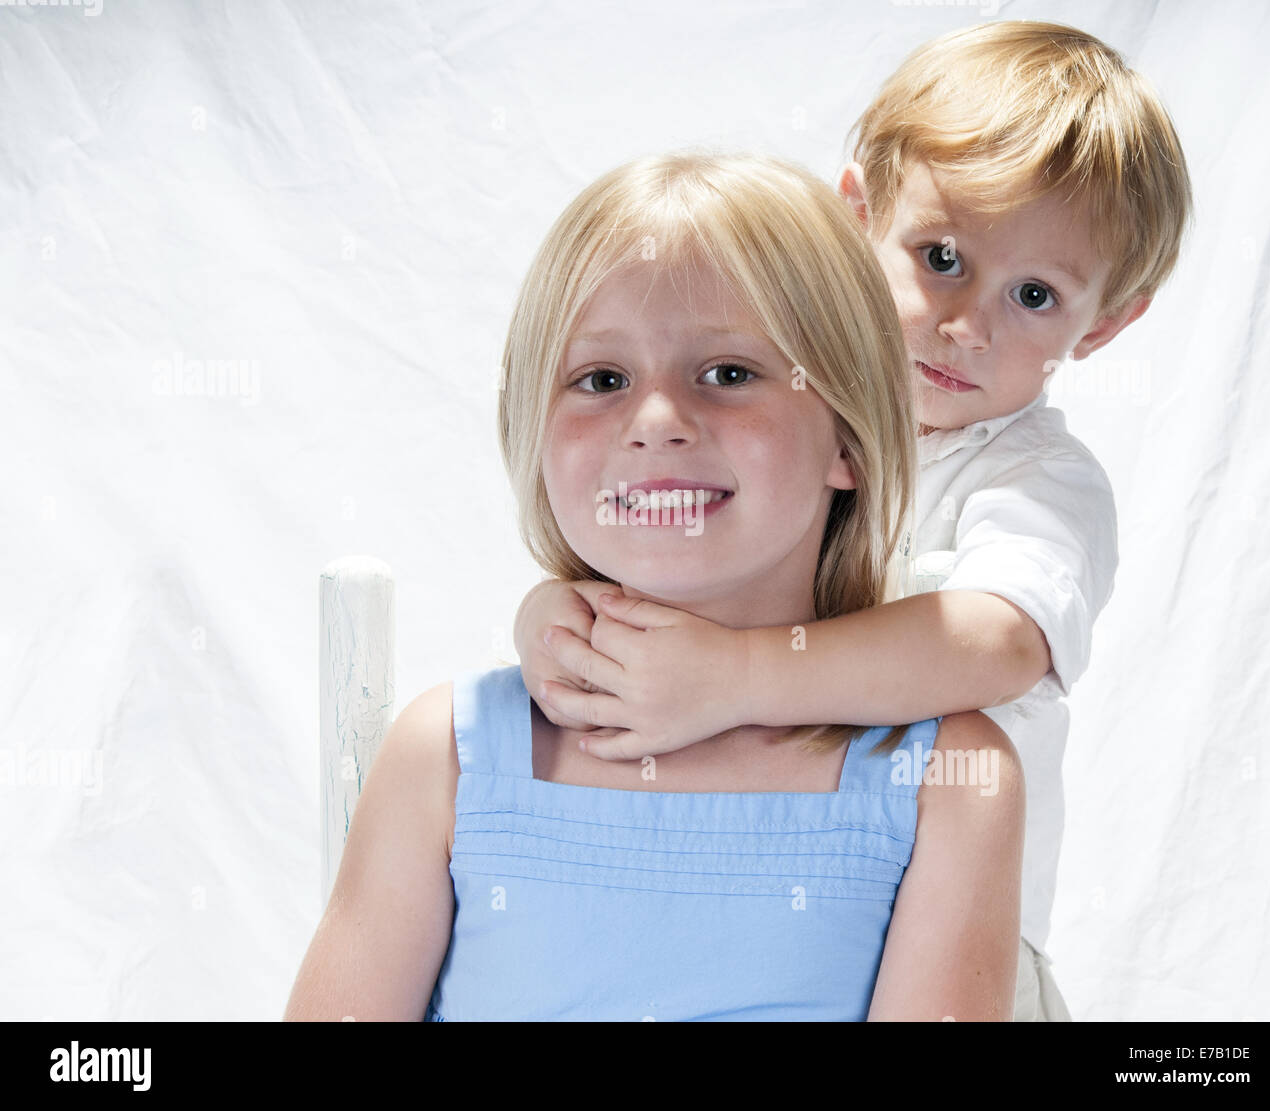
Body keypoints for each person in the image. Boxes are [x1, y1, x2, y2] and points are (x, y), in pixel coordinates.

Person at [512, 21, 1193, 1022]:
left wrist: (738, 676)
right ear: (855, 217)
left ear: (1103, 324)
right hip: (766, 910)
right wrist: (561, 611)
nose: (968, 322)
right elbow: (676, 564)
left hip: (948, 930)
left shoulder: (1036, 477)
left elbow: (999, 637)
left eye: (1035, 294)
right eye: (942, 256)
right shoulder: (777, 417)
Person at [283, 150, 1024, 1022]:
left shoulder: (947, 778)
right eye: (602, 380)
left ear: (849, 442)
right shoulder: (445, 757)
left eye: (728, 373)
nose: (657, 422)